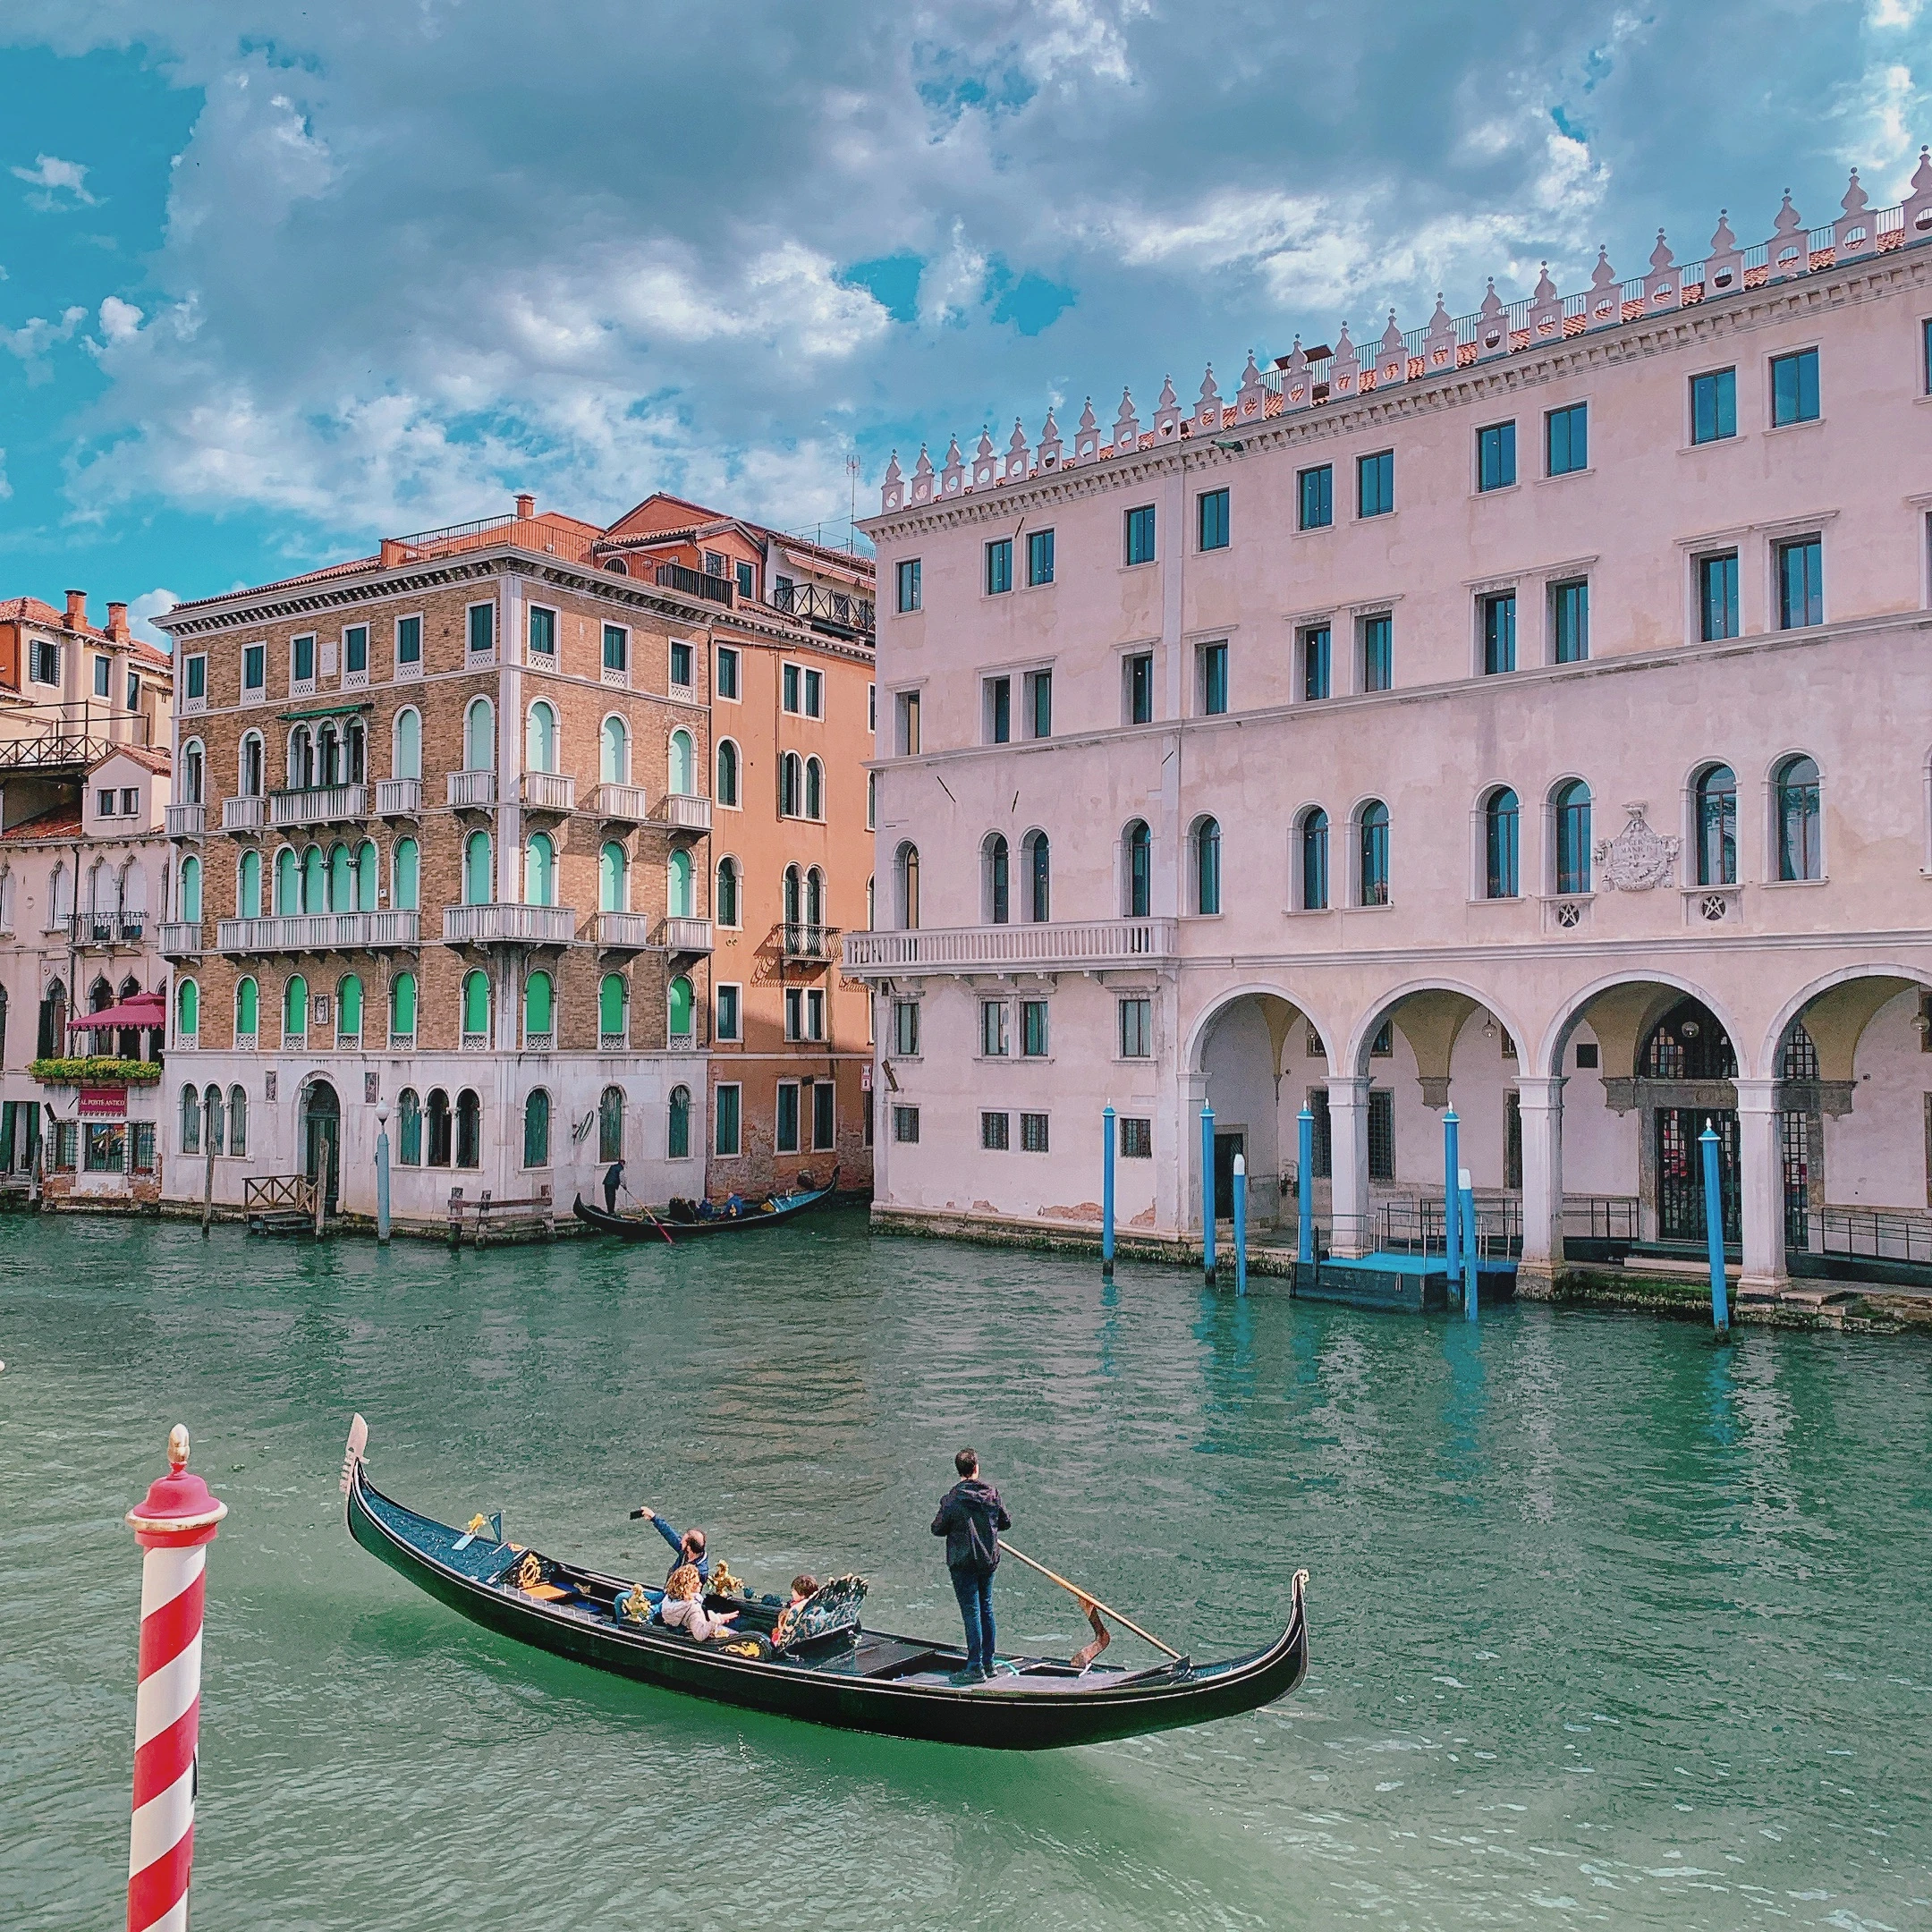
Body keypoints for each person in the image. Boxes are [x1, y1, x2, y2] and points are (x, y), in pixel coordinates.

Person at [931, 1448, 1010, 1682]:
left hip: (963, 1562)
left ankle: (974, 1667)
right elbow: (1005, 1522)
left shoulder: (952, 1499)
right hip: (987, 1560)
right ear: (976, 1468)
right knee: (986, 1608)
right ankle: (989, 1663)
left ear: (959, 1471)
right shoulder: (992, 1494)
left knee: (972, 1611)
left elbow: (937, 1528)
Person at [658, 1563, 738, 1642]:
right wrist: (719, 1619)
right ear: (688, 1586)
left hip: (680, 1633)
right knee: (735, 1635)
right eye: (696, 1583)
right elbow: (700, 1635)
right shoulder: (692, 1608)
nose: (700, 1584)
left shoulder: (668, 1601)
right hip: (702, 1636)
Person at [634, 1505, 711, 1584]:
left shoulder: (700, 1572)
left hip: (676, 1595)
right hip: (668, 1591)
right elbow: (670, 1534)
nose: (680, 1542)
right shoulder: (685, 1552)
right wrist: (653, 1517)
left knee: (624, 1596)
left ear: (689, 1547)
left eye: (683, 1541)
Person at [772, 1572, 820, 1650]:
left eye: (794, 1591)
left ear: (802, 1595)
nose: (792, 1592)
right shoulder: (812, 1604)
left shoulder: (796, 1609)